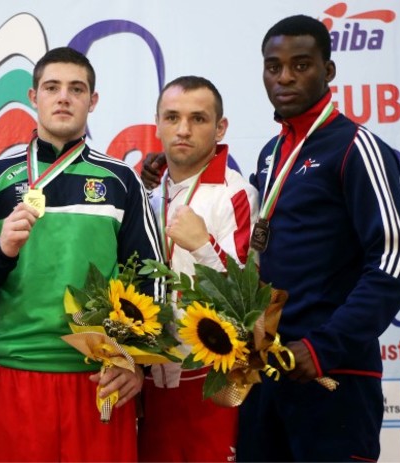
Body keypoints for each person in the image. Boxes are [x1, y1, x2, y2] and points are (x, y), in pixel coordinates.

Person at [0, 46, 163, 462]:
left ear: (92, 101)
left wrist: (136, 360)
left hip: (100, 379)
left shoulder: (120, 181)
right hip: (19, 380)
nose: (63, 97)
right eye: (52, 87)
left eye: (76, 89)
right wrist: (2, 250)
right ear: (33, 97)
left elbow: (153, 279)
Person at [234, 15, 400, 462]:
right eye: (273, 67)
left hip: (332, 373)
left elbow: (393, 264)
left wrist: (323, 347)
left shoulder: (356, 146)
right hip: (268, 373)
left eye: (301, 65)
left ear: (328, 71)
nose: (285, 77)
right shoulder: (271, 152)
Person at [137, 76, 259, 462]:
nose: (184, 129)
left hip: (211, 381)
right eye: (172, 117)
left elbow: (248, 303)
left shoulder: (236, 193)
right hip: (149, 384)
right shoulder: (149, 196)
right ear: (156, 123)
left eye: (199, 119)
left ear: (220, 128)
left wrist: (203, 245)